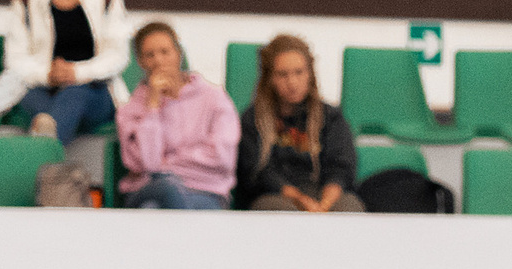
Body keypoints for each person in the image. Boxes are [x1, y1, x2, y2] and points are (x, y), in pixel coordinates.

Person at [0, 0, 132, 143]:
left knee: (74, 94)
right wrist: (47, 74)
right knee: (32, 100)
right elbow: (15, 59)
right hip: (42, 87)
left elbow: (118, 56)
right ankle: (49, 137)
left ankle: (44, 145)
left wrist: (76, 73)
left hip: (94, 92)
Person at [116, 21, 238, 210]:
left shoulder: (214, 98)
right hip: (149, 189)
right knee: (167, 188)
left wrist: (167, 164)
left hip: (205, 191)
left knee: (152, 209)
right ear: (140, 62)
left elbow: (222, 157)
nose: (158, 61)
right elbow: (148, 164)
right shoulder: (130, 110)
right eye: (149, 55)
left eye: (165, 52)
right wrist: (152, 106)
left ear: (179, 53)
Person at [233, 33, 360, 212]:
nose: (292, 83)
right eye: (282, 74)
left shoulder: (330, 117)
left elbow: (341, 168)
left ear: (310, 74)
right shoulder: (253, 120)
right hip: (276, 195)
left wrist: (324, 205)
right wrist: (300, 200)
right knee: (280, 212)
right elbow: (257, 172)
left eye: (299, 72)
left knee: (350, 207)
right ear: (270, 78)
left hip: (322, 194)